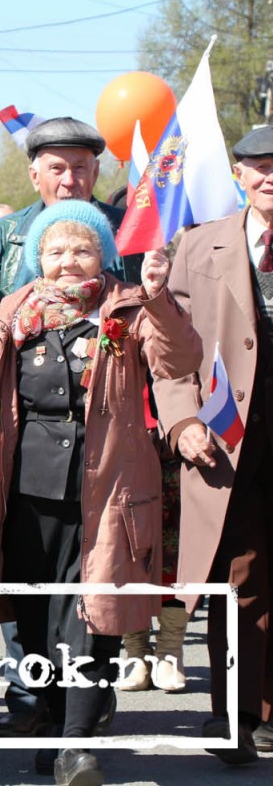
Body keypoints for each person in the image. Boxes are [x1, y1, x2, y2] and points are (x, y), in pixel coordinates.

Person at [0, 200, 201, 784]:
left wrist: (158, 297)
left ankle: (79, 742)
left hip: (107, 489)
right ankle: (56, 727)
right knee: (34, 619)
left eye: (82, 248)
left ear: (104, 253)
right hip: (26, 494)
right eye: (55, 250)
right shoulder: (14, 314)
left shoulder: (130, 307)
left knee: (91, 614)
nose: (68, 261)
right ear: (37, 257)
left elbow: (180, 359)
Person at [151, 125, 273, 762]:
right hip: (230, 441)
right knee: (241, 578)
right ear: (240, 173)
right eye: (259, 166)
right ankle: (236, 717)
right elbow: (171, 356)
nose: (270, 176)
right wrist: (183, 421)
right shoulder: (198, 247)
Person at [0, 117, 140, 330]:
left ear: (94, 173)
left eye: (79, 168)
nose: (69, 180)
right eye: (57, 168)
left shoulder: (131, 232)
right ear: (34, 177)